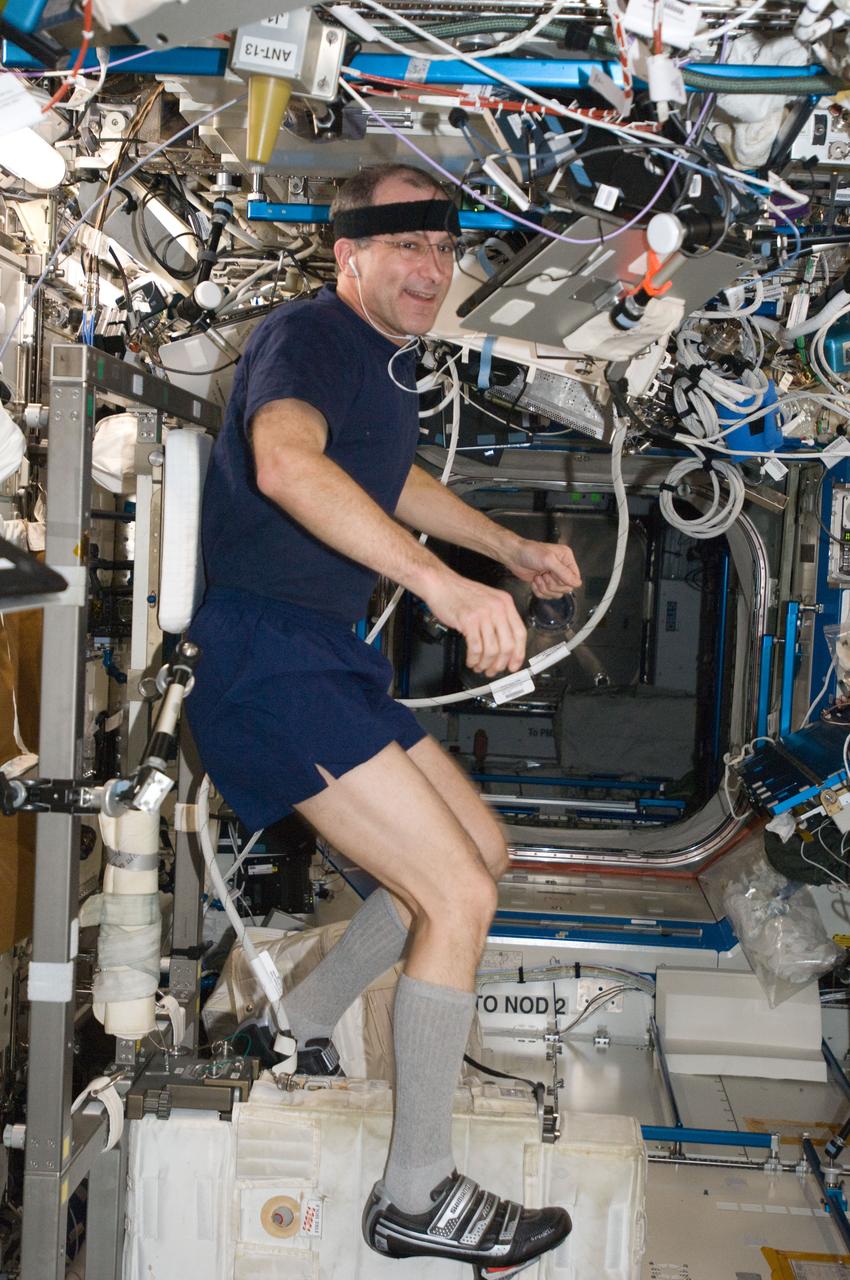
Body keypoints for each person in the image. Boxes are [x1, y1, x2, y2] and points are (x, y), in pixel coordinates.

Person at [187, 162, 581, 1277]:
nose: (430, 267)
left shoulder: (379, 362)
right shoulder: (308, 336)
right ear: (344, 254)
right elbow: (287, 462)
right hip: (269, 656)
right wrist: (443, 589)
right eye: (403, 246)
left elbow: (386, 476)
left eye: (443, 247)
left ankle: (302, 1015)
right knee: (452, 893)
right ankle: (417, 1194)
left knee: (482, 854)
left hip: (323, 657)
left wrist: (501, 549)